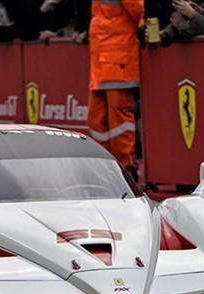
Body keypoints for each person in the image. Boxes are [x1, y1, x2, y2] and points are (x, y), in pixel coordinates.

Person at [87, 0, 141, 180]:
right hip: (102, 65)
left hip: (119, 63)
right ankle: (103, 169)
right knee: (96, 121)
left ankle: (125, 171)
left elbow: (142, 14)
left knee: (120, 124)